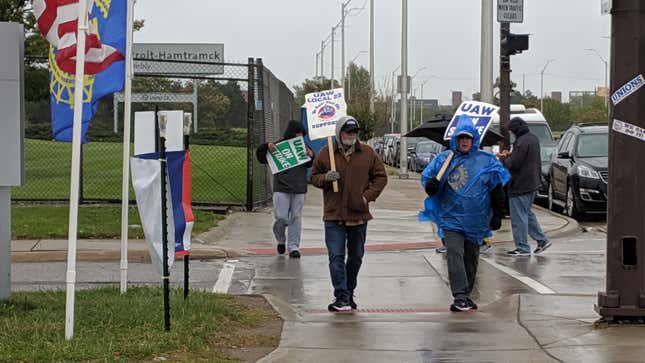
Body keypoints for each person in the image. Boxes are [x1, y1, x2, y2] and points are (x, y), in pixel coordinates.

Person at [420, 123, 509, 312]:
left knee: (471, 257)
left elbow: (497, 189)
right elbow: (430, 182)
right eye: (461, 138)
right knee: (455, 254)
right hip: (451, 219)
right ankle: (459, 295)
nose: (464, 141)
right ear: (455, 140)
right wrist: (432, 186)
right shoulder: (444, 160)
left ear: (474, 139)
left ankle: (466, 294)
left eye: (467, 138)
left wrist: (498, 214)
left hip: (476, 220)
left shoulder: (486, 161)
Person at [311, 116, 388, 312]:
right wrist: (325, 178)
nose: (351, 135)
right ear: (339, 133)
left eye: (354, 132)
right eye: (347, 131)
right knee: (336, 256)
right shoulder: (326, 153)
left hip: (358, 215)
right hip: (334, 214)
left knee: (356, 257)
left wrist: (367, 197)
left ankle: (349, 290)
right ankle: (341, 296)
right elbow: (313, 176)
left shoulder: (368, 153)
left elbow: (381, 177)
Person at [256, 120, 314, 258]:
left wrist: (311, 155)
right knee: (281, 217)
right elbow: (261, 158)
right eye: (297, 133)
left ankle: (294, 247)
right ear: (290, 133)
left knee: (296, 217)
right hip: (281, 188)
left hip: (299, 188)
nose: (299, 137)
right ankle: (280, 239)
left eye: (302, 134)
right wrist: (266, 147)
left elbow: (310, 162)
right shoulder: (278, 145)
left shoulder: (303, 146)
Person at [498, 117, 552, 257]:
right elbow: (523, 158)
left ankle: (522, 247)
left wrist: (503, 158)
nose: (511, 134)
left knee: (518, 218)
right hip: (532, 183)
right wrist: (511, 154)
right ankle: (542, 240)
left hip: (520, 185)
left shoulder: (521, 142)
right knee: (527, 214)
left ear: (515, 129)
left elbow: (513, 164)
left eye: (511, 131)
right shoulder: (532, 139)